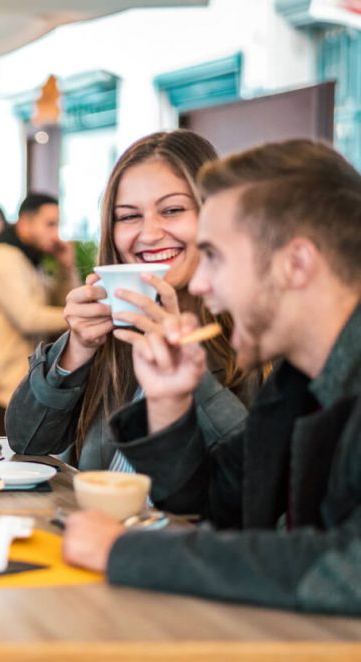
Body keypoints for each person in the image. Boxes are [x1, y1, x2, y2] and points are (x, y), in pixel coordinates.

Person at [62, 139, 361, 615]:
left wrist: (126, 552)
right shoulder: (295, 384)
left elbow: (347, 568)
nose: (200, 284)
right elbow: (211, 506)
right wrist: (170, 404)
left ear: (296, 264)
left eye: (215, 257)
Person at [5, 130, 251, 469]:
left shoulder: (255, 338)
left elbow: (255, 479)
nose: (149, 234)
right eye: (129, 216)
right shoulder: (110, 332)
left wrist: (188, 375)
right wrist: (76, 349)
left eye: (173, 210)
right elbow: (27, 441)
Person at [0, 193, 79, 432]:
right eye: (50, 224)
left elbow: (63, 301)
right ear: (26, 223)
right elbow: (30, 318)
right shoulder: (1, 258)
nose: (56, 234)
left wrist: (66, 267)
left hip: (15, 392)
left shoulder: (27, 261)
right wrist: (83, 316)